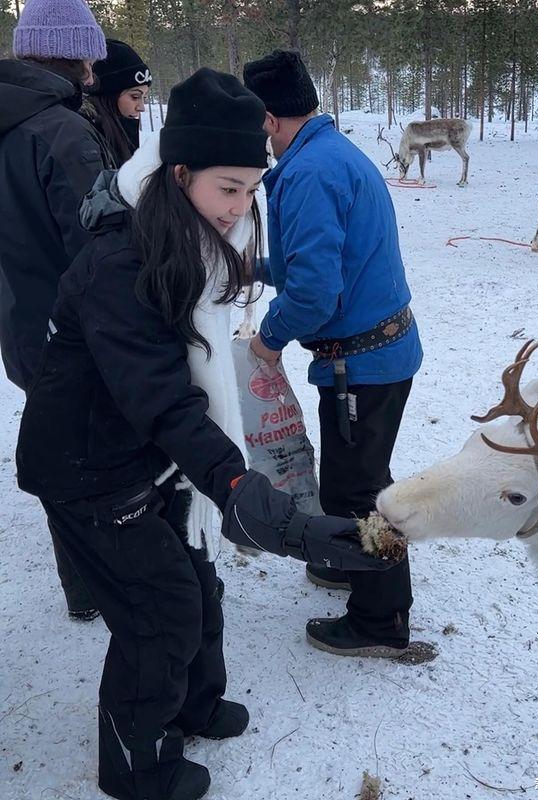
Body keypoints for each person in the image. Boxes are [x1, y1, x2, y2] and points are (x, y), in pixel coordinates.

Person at [15, 68, 393, 800]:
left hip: (144, 454)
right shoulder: (120, 265)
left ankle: (192, 703)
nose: (240, 207)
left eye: (252, 190)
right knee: (159, 611)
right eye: (228, 188)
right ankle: (137, 766)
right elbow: (163, 399)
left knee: (197, 581)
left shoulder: (188, 241)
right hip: (88, 467)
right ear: (180, 173)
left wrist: (234, 485)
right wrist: (240, 487)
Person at [243, 50, 424, 658]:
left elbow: (315, 293)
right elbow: (320, 262)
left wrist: (268, 340)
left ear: (269, 119)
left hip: (362, 365)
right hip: (378, 353)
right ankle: (352, 564)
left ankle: (380, 621)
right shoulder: (329, 153)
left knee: (359, 492)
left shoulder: (309, 173)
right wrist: (253, 268)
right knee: (357, 480)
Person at [0, 0, 109, 620]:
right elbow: (100, 248)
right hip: (74, 332)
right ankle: (105, 583)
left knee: (62, 445)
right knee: (97, 456)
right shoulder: (60, 132)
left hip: (23, 326)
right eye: (90, 51)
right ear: (73, 54)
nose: (95, 64)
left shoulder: (13, 120)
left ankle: (85, 587)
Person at [83, 38, 152, 168]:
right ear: (109, 94)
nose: (141, 107)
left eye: (145, 97)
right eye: (135, 96)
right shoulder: (84, 138)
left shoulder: (117, 132)